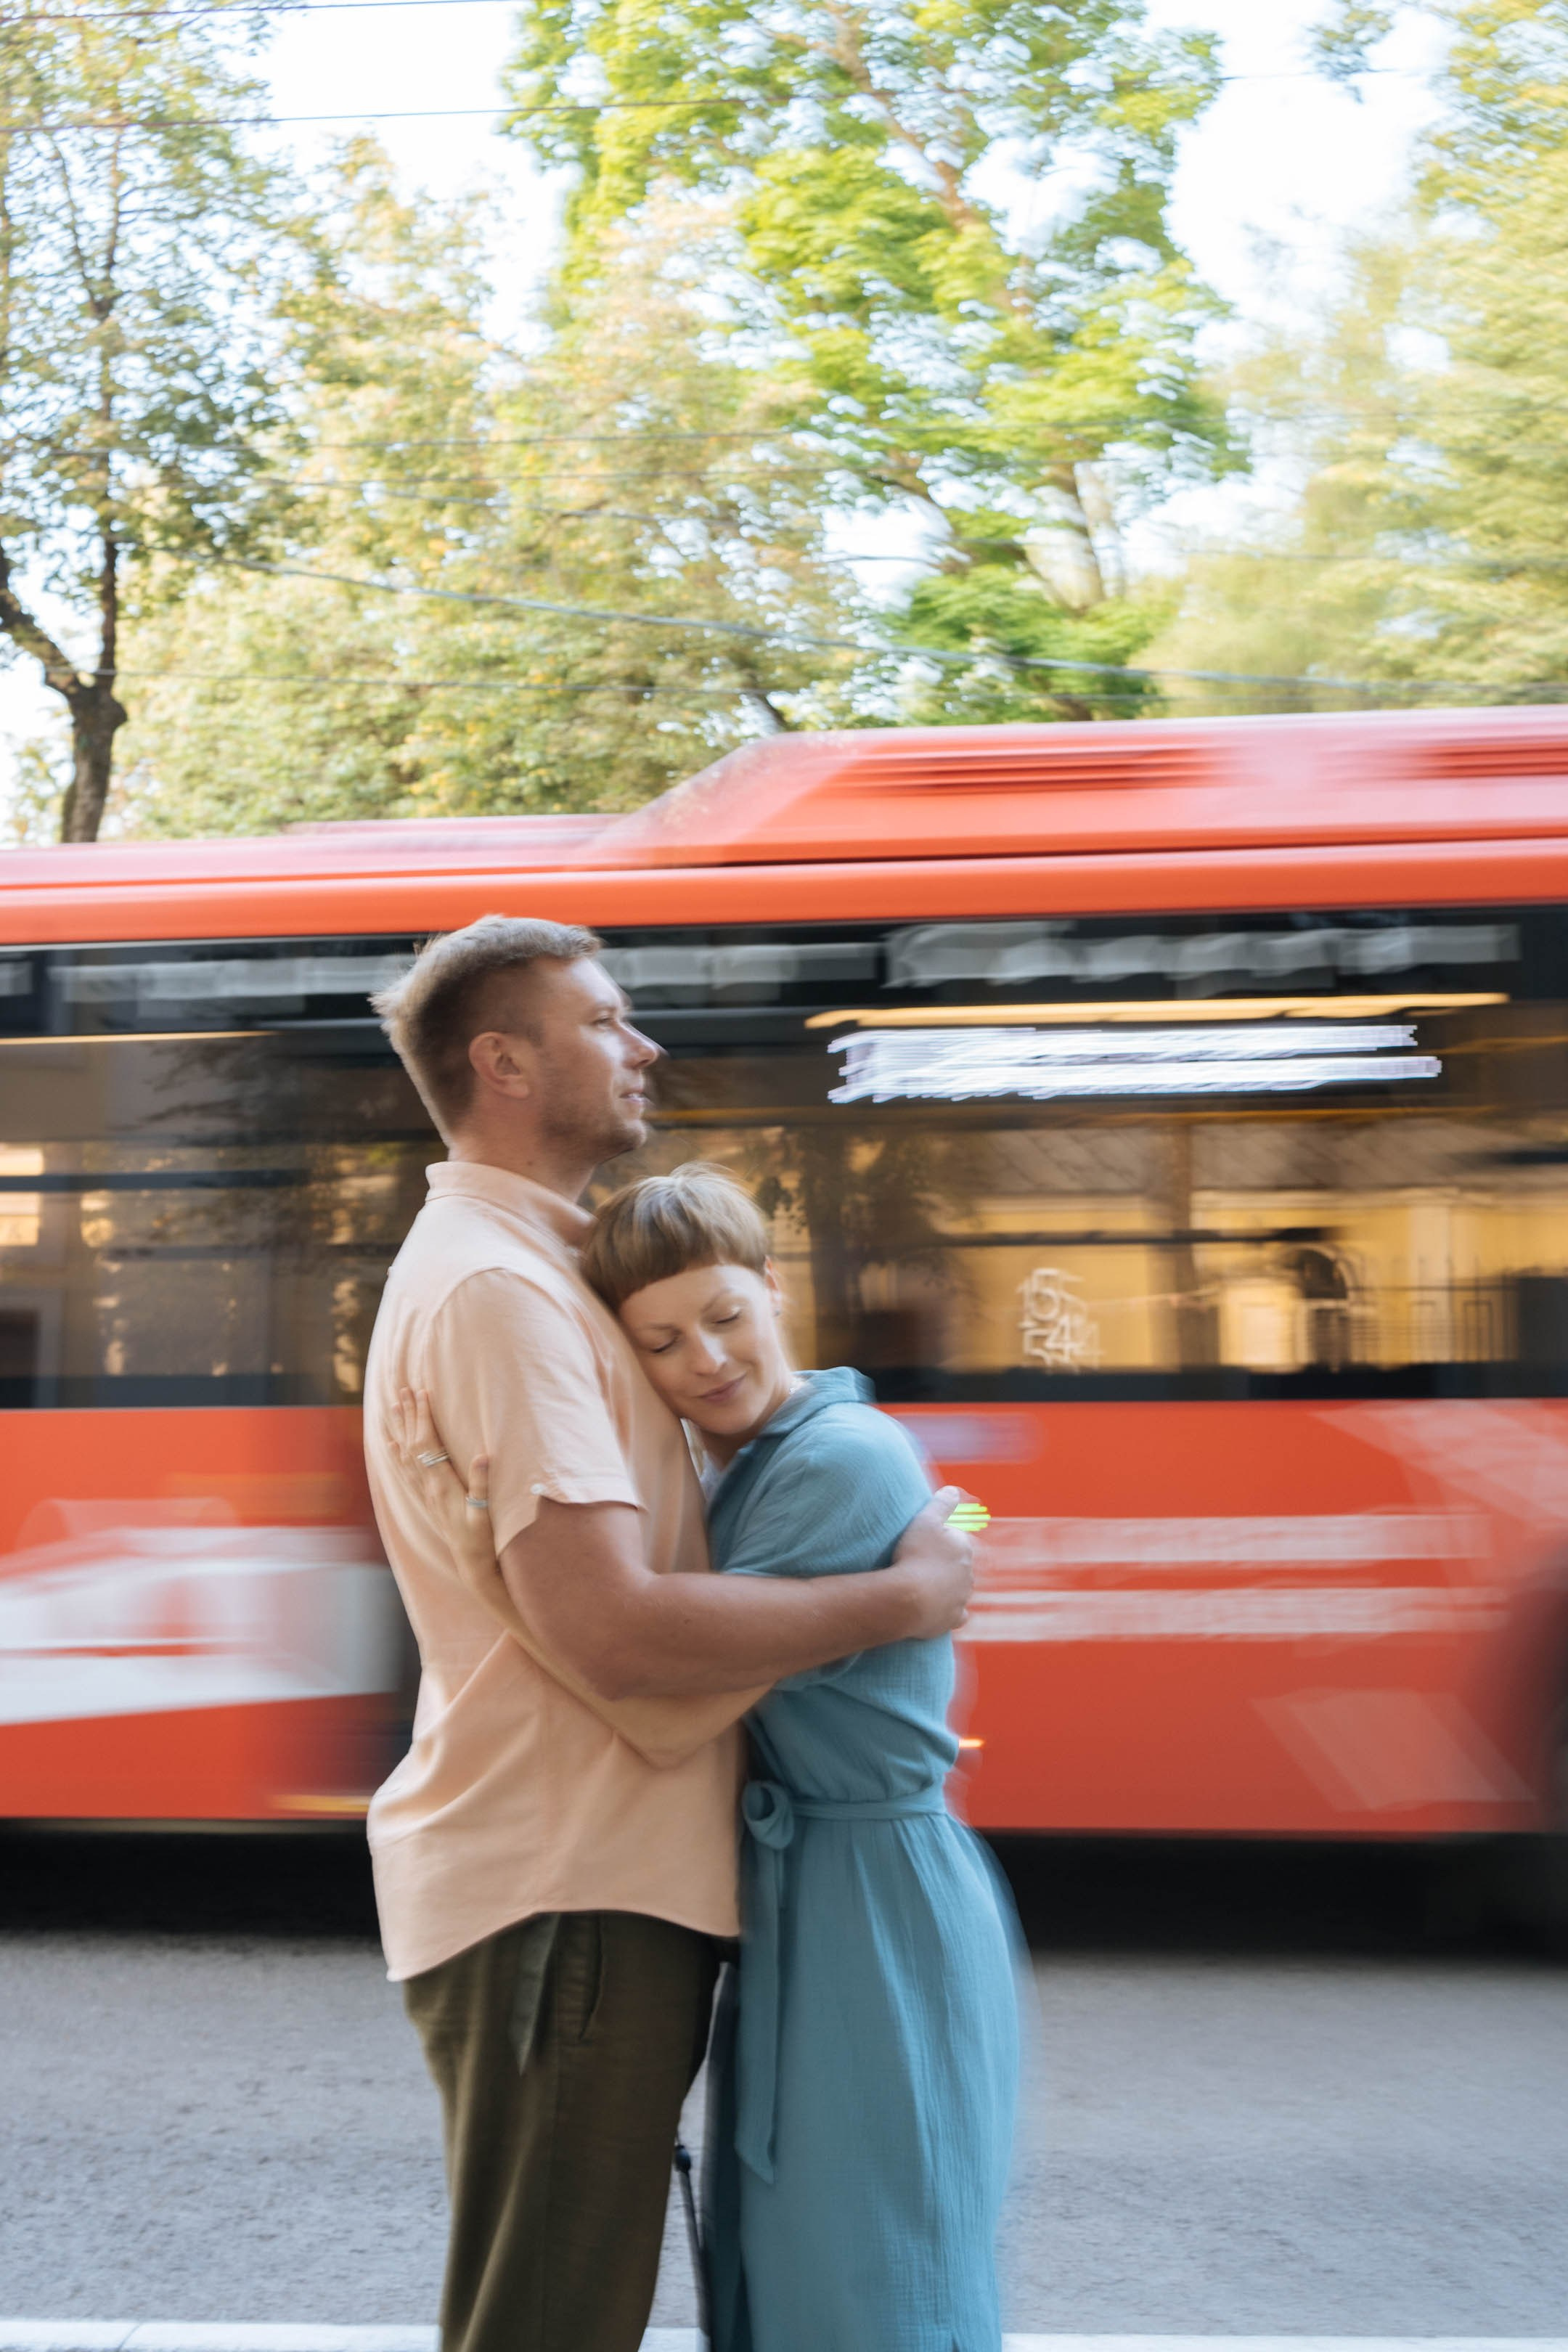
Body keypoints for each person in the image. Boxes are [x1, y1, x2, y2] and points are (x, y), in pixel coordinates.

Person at [361, 915, 976, 2352]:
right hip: (567, 1890)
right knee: (552, 2326)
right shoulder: (502, 1292)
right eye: (603, 1021)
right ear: (505, 1063)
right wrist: (906, 1600)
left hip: (584, 1880)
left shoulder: (535, 1266)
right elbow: (615, 1629)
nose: (642, 1047)